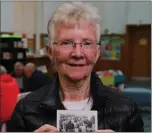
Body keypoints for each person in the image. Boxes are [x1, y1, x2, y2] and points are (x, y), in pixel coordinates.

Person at [7, 2, 144, 132]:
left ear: (97, 52)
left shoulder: (126, 110)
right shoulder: (25, 110)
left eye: (87, 43)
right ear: (50, 52)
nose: (78, 53)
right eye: (67, 42)